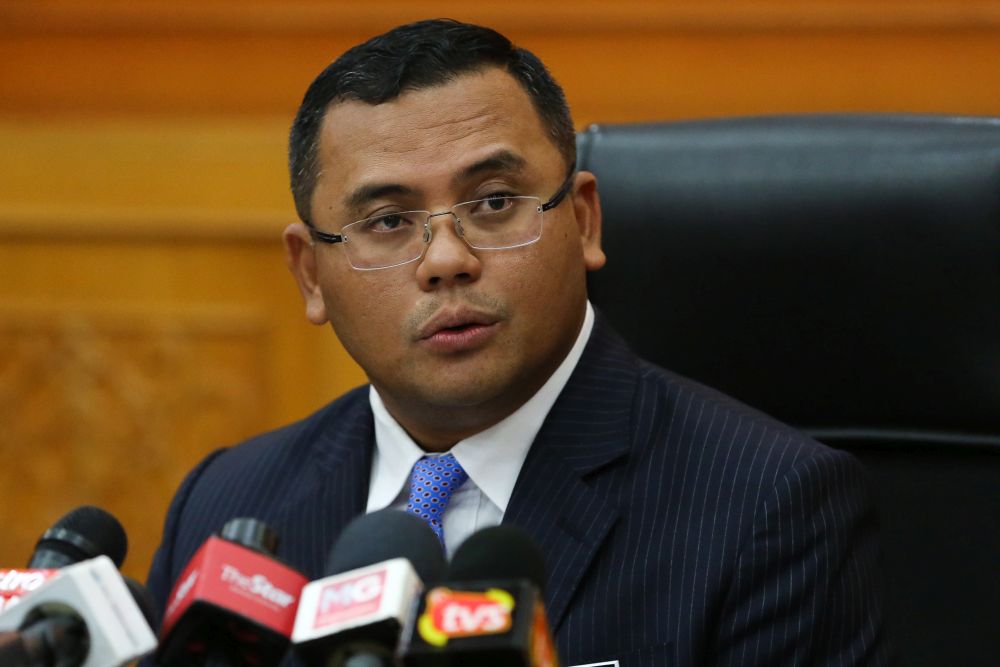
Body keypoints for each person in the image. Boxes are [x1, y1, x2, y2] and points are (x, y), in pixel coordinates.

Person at [145, 19, 889, 665]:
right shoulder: (226, 505)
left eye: (495, 202)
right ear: (311, 275)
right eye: (388, 221)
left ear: (584, 221)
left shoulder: (767, 507)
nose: (446, 260)